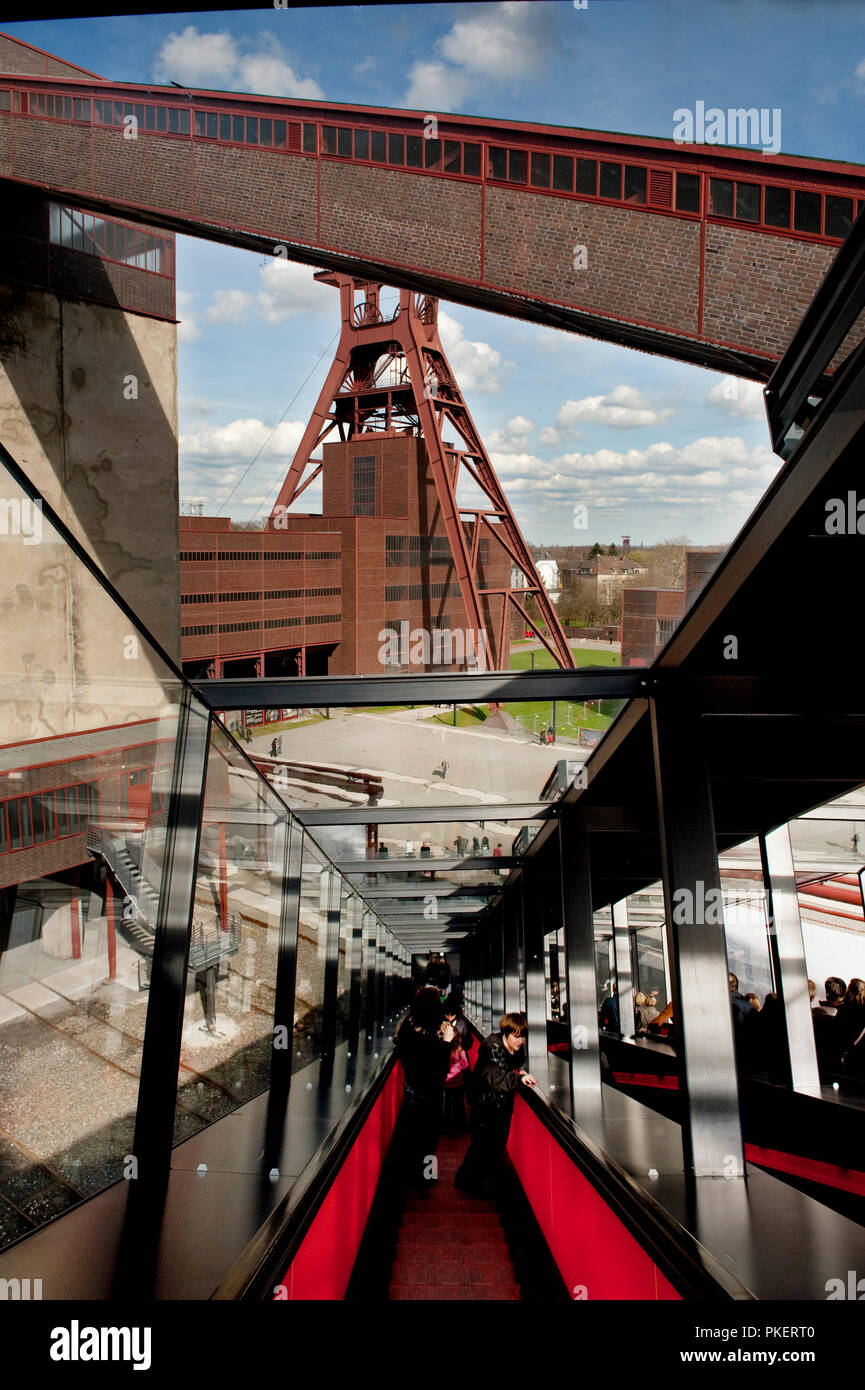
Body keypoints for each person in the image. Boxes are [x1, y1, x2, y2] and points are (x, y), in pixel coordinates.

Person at [455, 1011, 536, 1197]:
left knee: (491, 1147)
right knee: (481, 1147)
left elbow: (515, 1062)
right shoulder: (490, 1048)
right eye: (516, 1036)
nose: (520, 1041)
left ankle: (472, 1181)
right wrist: (518, 1079)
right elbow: (495, 1078)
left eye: (522, 1036)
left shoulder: (511, 1049)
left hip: (499, 1107)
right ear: (505, 1033)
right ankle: (467, 1182)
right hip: (484, 1108)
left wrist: (518, 1073)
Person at [394, 987, 454, 1194]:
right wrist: (446, 1042)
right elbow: (439, 1071)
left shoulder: (408, 1028)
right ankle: (427, 1178)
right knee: (429, 1140)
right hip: (431, 1095)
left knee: (411, 1137)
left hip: (411, 1092)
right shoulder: (429, 1036)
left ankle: (409, 1176)